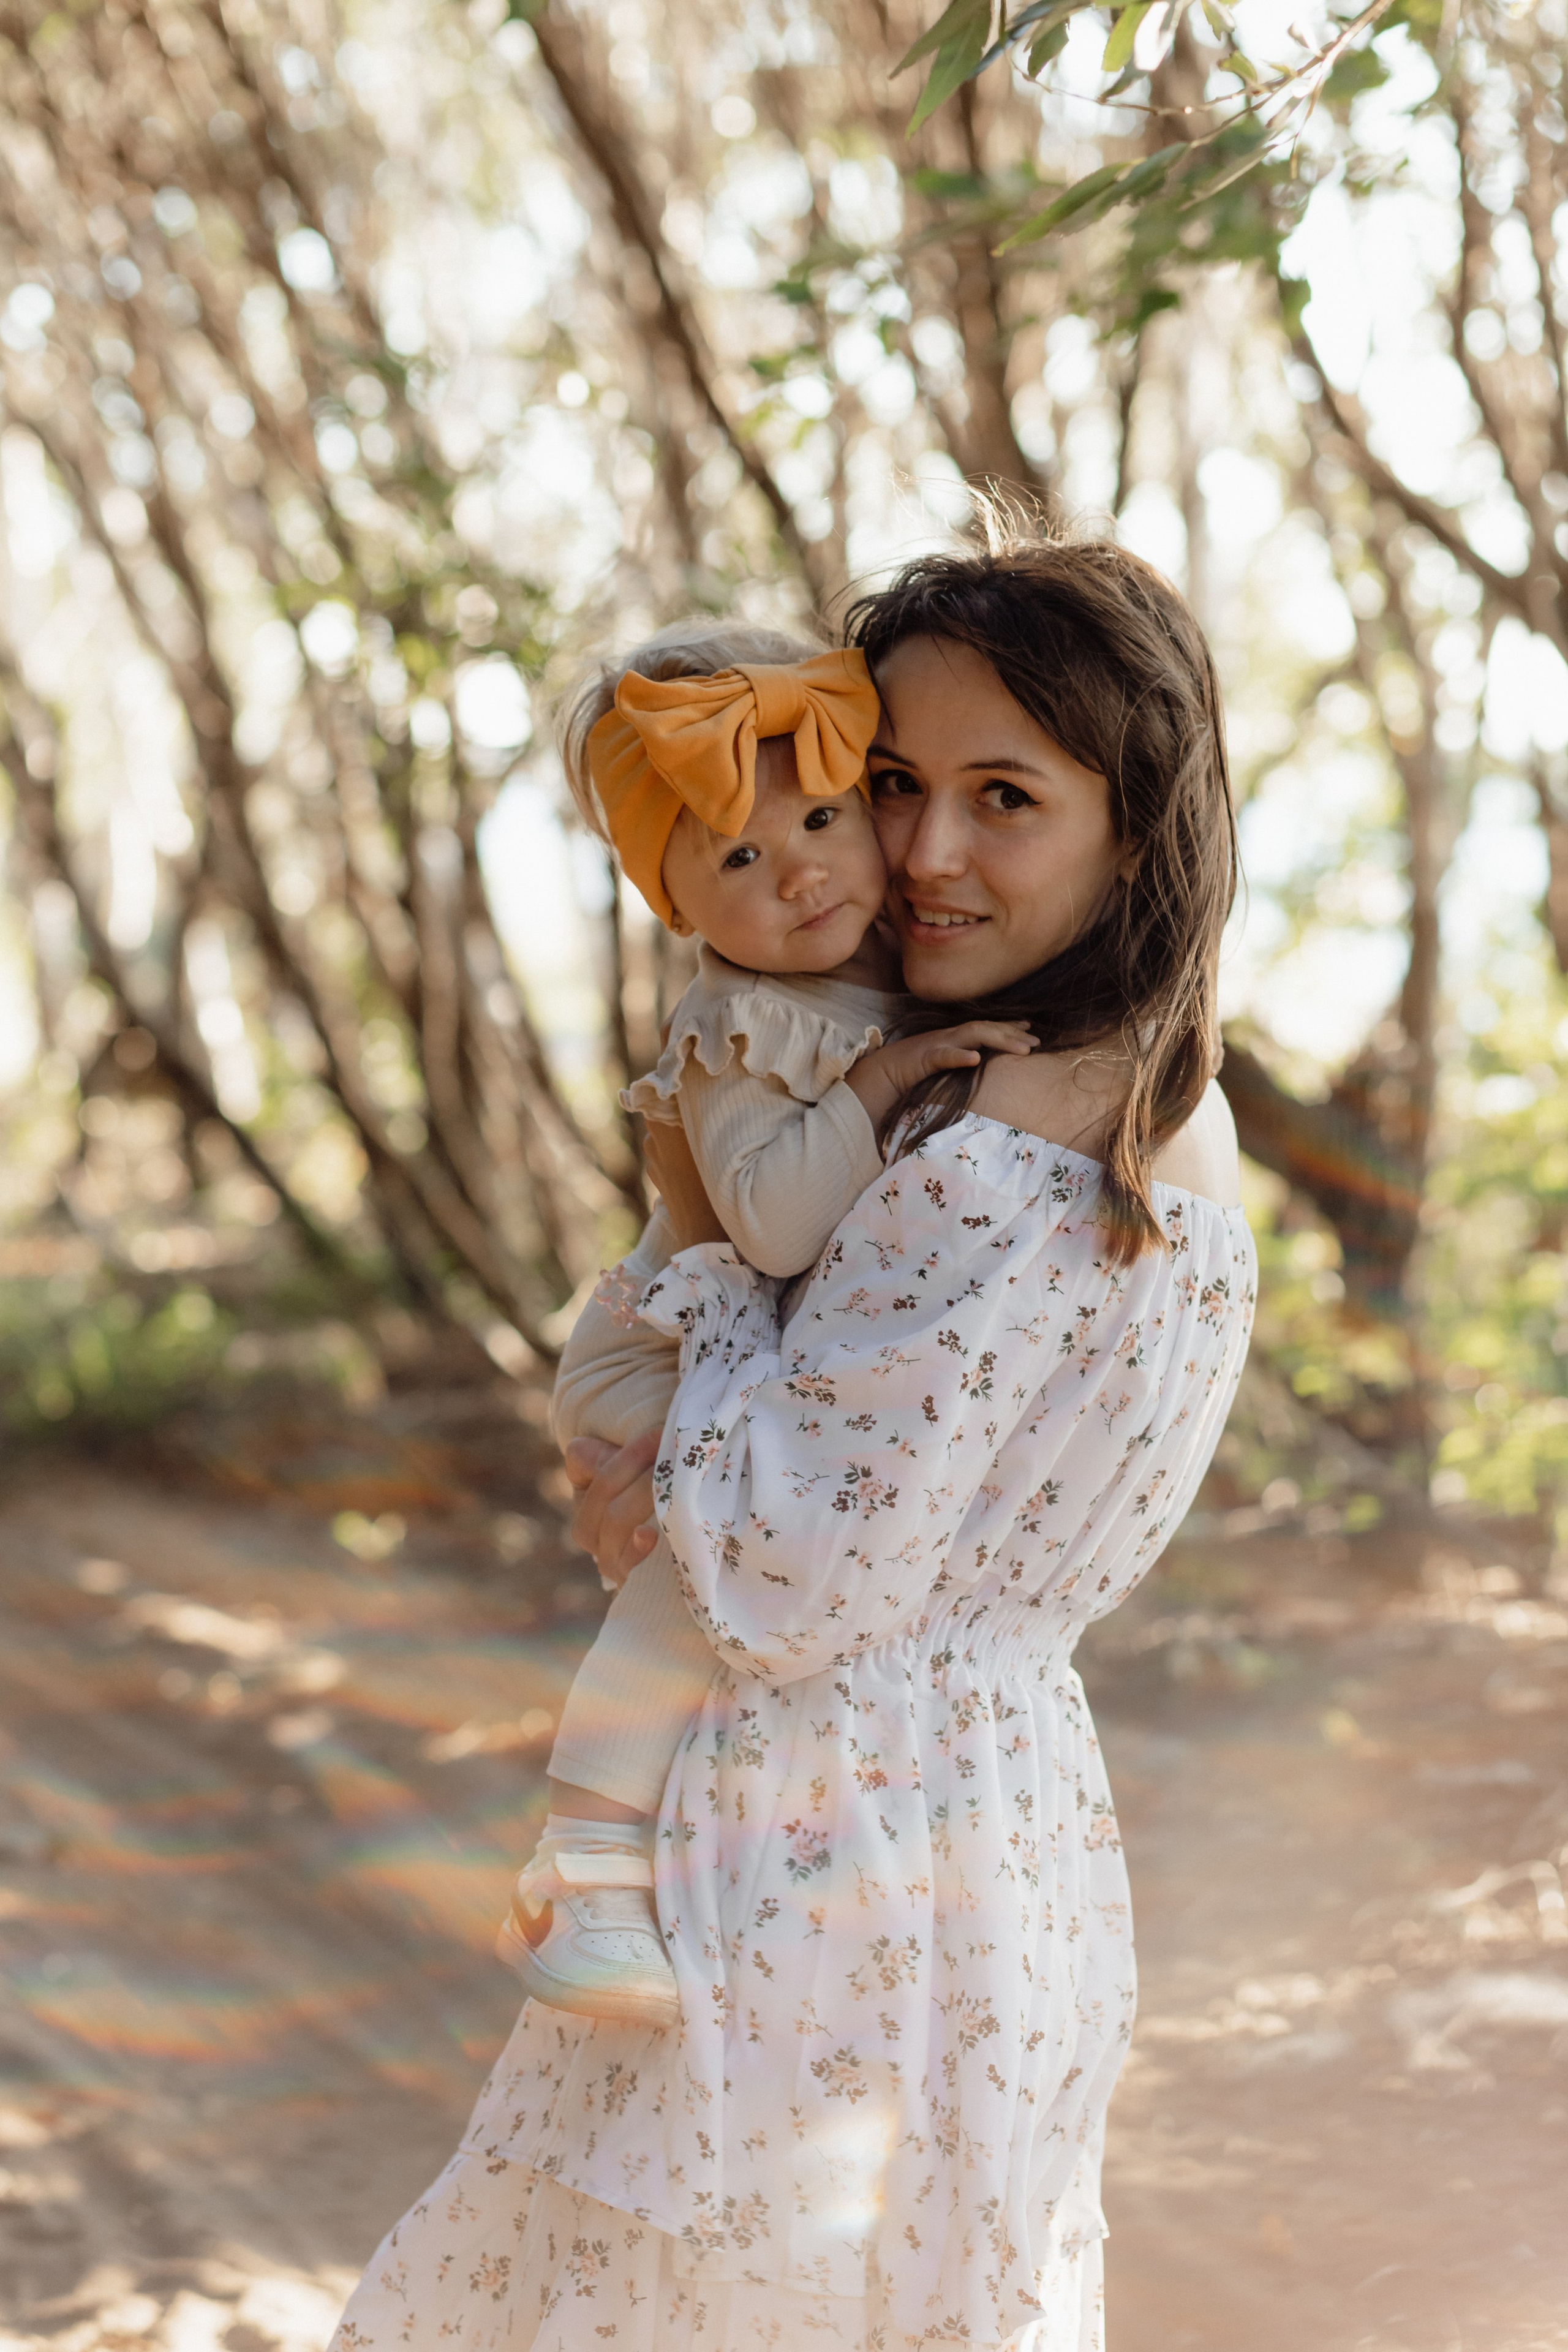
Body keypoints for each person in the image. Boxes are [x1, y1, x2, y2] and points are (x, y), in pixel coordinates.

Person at [330, 530, 1254, 2352]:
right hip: (1004, 1833)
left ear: (1135, 822)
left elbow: (765, 1554)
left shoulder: (995, 1157)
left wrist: (670, 1350)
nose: (920, 853)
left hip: (834, 1853)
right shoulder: (1165, 1102)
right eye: (890, 785)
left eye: (1007, 795)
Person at [502, 622, 1035, 2028]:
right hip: (657, 1353)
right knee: (701, 1567)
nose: (798, 867)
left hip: (726, 1344)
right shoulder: (744, 1023)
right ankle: (590, 1866)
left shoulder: (868, 974)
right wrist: (888, 1083)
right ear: (674, 905)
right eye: (737, 857)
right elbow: (780, 1230)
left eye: (818, 815)